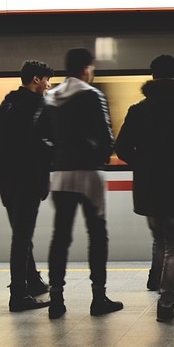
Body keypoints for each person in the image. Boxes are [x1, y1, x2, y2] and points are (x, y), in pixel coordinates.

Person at [114, 54, 174, 322]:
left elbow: (121, 148)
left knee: (159, 238)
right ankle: (167, 298)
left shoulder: (139, 109)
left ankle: (155, 279)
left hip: (149, 185)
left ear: (153, 77)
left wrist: (143, 163)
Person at [46, 47, 122, 319]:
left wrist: (57, 158)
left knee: (60, 237)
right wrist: (101, 157)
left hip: (61, 174)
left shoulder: (50, 96)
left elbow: (41, 135)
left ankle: (56, 299)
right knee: (97, 235)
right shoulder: (92, 95)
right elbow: (106, 135)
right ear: (86, 68)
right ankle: (98, 297)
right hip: (89, 174)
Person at [0, 60, 54, 312]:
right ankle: (18, 295)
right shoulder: (37, 106)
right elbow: (46, 143)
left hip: (6, 180)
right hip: (27, 179)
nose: (49, 84)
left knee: (21, 233)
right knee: (22, 237)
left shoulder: (6, 106)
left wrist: (0, 173)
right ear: (36, 79)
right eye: (47, 79)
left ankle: (33, 281)